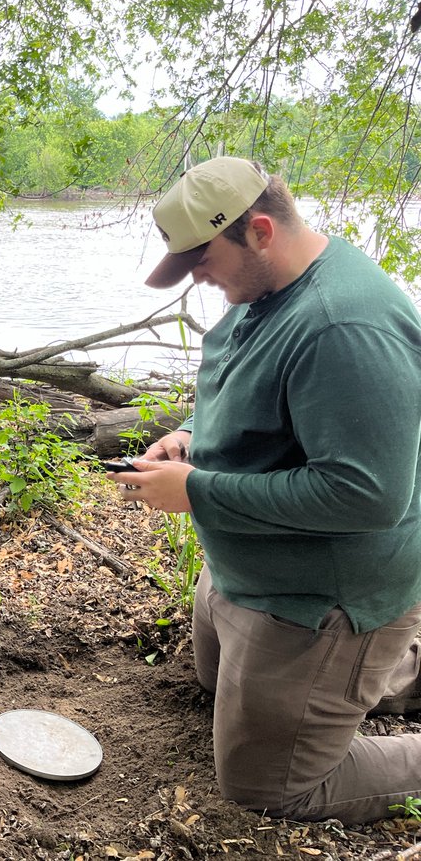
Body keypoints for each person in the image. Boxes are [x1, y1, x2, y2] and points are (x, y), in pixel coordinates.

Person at [108, 156, 421, 824]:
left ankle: (370, 665)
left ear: (258, 230)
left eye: (201, 259)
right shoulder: (268, 286)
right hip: (245, 571)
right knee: (210, 681)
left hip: (323, 596)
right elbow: (259, 387)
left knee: (270, 785)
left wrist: (199, 493)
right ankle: (367, 677)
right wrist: (193, 435)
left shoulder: (344, 325)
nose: (195, 277)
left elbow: (368, 497)